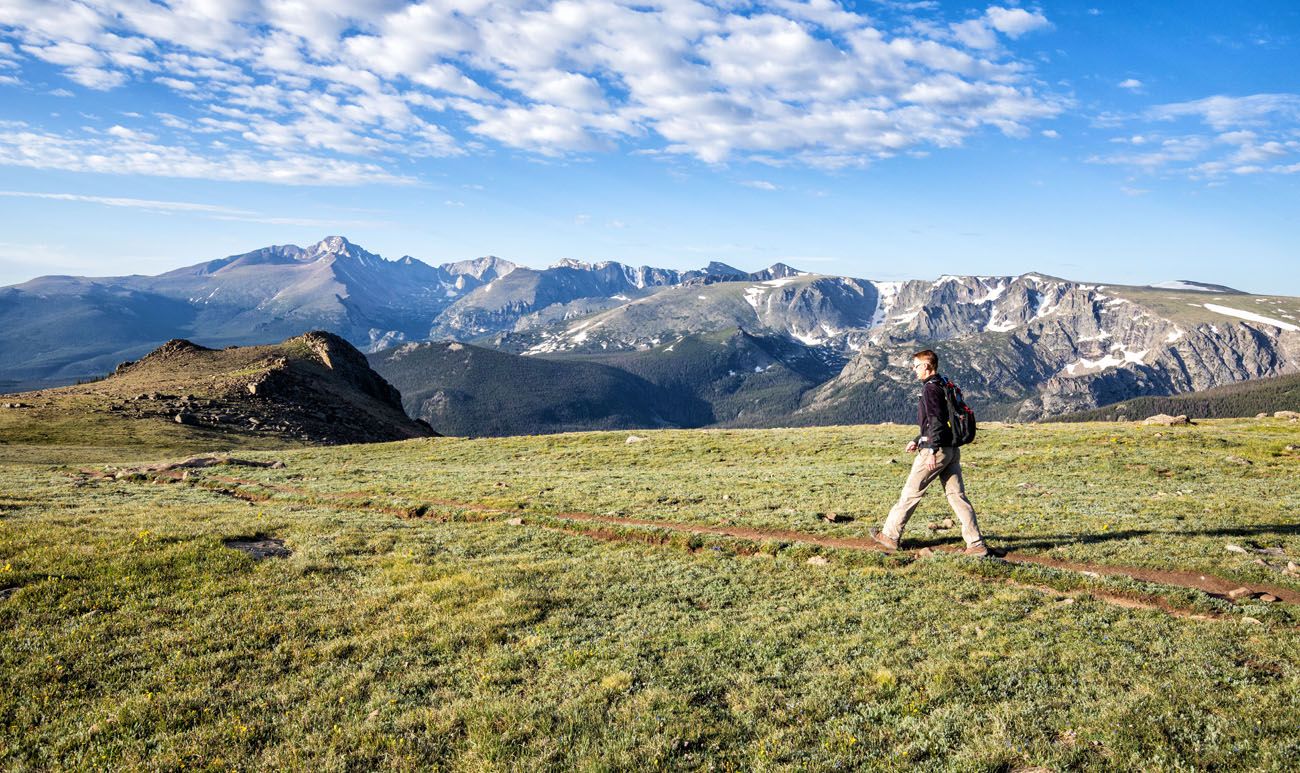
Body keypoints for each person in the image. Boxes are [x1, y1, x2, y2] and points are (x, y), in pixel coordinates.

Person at [871, 349, 990, 556]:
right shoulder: (943, 384)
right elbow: (941, 420)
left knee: (911, 492)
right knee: (957, 496)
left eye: (916, 365)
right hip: (952, 450)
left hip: (937, 450)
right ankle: (976, 543)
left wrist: (932, 450)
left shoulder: (930, 389)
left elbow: (935, 420)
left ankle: (890, 535)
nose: (913, 369)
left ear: (927, 366)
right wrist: (918, 440)